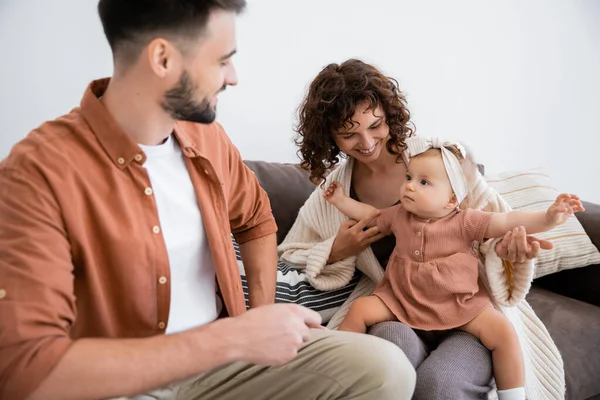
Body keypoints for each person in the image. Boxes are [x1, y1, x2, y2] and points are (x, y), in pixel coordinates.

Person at [0, 2, 417, 400]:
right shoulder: (37, 172)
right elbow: (25, 369)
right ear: (163, 59)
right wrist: (228, 339)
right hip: (118, 384)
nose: (232, 76)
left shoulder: (206, 137)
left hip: (225, 366)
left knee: (385, 371)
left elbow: (255, 219)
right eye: (221, 60)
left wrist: (260, 319)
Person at [278, 59, 565, 400]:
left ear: (389, 113)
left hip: (463, 304)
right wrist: (337, 249)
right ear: (330, 136)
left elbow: (496, 222)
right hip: (398, 306)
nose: (367, 142)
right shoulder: (332, 193)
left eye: (376, 125)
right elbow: (289, 256)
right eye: (349, 134)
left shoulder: (439, 159)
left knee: (436, 384)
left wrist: (509, 250)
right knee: (384, 364)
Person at [323, 136, 584, 400]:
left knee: (504, 333)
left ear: (451, 200)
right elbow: (371, 216)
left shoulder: (467, 222)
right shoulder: (399, 215)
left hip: (460, 304)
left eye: (423, 182)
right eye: (409, 178)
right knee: (360, 309)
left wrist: (548, 218)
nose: (410, 187)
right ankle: (337, 370)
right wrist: (341, 201)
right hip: (402, 300)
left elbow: (509, 219)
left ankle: (514, 396)